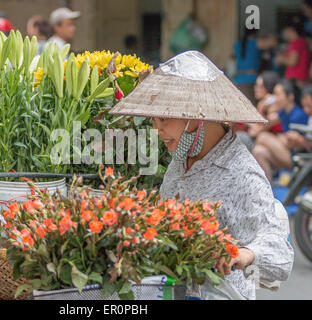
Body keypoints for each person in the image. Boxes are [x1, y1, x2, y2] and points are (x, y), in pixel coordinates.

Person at [109, 51, 294, 300]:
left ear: (197, 116)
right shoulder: (180, 161)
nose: (156, 128)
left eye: (163, 118)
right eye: (154, 119)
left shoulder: (242, 174)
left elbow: (280, 254)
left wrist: (244, 254)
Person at [252, 79, 309, 181]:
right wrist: (265, 107)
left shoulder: (298, 114)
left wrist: (282, 138)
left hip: (297, 157)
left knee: (263, 137)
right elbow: (264, 124)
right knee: (258, 151)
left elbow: (292, 144)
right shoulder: (283, 111)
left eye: (278, 95)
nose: (275, 99)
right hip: (286, 152)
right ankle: (268, 189)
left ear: (290, 97)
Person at [237, 71, 281, 151]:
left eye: (259, 86)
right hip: (262, 140)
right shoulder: (263, 103)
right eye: (256, 85)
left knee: (240, 137)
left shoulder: (272, 104)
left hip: (271, 141)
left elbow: (256, 131)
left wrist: (247, 123)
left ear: (268, 87)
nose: (255, 89)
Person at [276, 23, 311, 92]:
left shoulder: (296, 42)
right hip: (301, 78)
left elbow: (292, 62)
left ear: (290, 30)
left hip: (295, 79)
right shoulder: (302, 41)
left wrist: (281, 58)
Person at [233, 28, 261, 104]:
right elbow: (272, 42)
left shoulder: (237, 44)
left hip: (239, 80)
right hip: (251, 80)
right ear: (255, 33)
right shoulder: (256, 42)